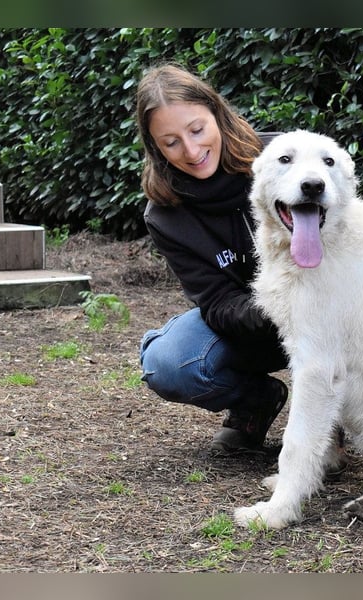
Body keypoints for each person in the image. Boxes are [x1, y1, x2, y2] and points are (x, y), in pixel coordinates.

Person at [135, 63, 288, 452]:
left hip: (329, 314)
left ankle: (333, 421)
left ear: (217, 114)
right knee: (168, 363)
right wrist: (282, 309)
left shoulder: (283, 158)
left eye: (197, 130)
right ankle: (255, 400)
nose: (191, 151)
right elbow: (217, 303)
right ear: (154, 146)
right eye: (170, 142)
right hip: (252, 326)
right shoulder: (165, 215)